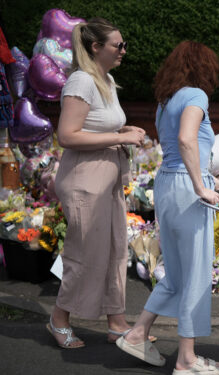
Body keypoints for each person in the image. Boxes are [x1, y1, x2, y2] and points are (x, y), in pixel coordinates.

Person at [117, 41, 219, 374]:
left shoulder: (165, 101)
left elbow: (182, 148)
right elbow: (187, 140)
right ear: (204, 68)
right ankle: (186, 360)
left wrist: (213, 181)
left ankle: (138, 333)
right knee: (195, 272)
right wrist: (202, 186)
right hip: (188, 189)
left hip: (168, 185)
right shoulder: (197, 96)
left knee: (177, 272)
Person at [49, 17, 146, 349]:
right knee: (86, 253)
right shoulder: (81, 81)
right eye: (118, 45)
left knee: (115, 249)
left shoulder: (105, 78)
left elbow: (98, 128)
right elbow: (67, 135)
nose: (123, 50)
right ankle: (59, 319)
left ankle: (116, 320)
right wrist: (119, 137)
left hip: (107, 177)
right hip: (84, 180)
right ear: (95, 47)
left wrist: (125, 134)